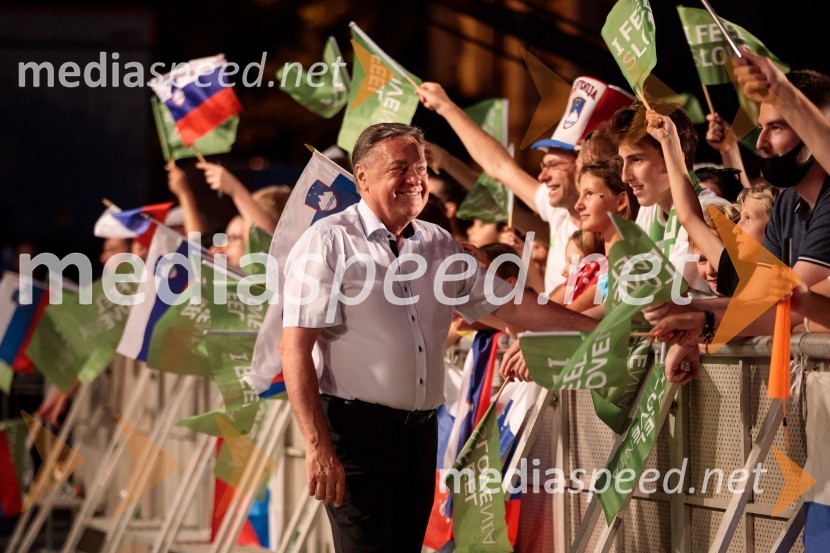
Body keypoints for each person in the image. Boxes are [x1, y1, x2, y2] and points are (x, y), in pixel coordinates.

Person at [278, 123, 596, 552]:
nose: (416, 178)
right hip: (354, 434)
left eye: (422, 167)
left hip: (418, 435)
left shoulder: (438, 244)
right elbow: (294, 347)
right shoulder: (328, 241)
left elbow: (512, 305)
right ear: (362, 176)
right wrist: (317, 446)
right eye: (400, 168)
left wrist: (601, 329)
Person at [417, 82, 580, 294]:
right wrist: (445, 110)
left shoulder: (604, 227)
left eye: (555, 165)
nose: (542, 176)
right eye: (543, 166)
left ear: (583, 166)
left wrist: (445, 107)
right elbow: (500, 168)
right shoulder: (559, 213)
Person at [610, 101, 730, 296]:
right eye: (623, 161)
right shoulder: (650, 210)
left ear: (673, 156)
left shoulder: (712, 212)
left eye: (637, 160)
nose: (625, 176)